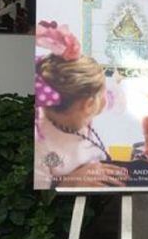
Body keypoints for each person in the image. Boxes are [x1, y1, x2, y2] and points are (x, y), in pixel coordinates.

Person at [33, 21, 128, 190]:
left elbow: (123, 101)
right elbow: (41, 196)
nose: (107, 97)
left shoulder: (101, 106)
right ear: (89, 104)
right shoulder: (40, 142)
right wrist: (70, 182)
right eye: (102, 93)